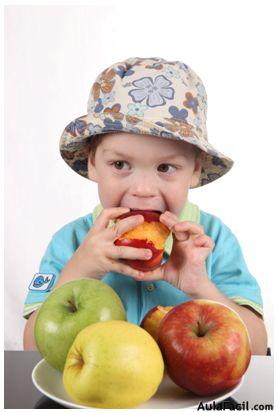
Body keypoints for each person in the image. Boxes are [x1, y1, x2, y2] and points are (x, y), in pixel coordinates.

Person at [23, 57, 267, 354]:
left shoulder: (211, 242)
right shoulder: (72, 243)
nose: (142, 190)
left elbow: (257, 348)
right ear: (92, 163)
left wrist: (201, 286)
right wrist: (79, 272)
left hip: (188, 397)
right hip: (99, 396)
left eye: (165, 168)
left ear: (194, 170)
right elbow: (31, 349)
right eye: (120, 164)